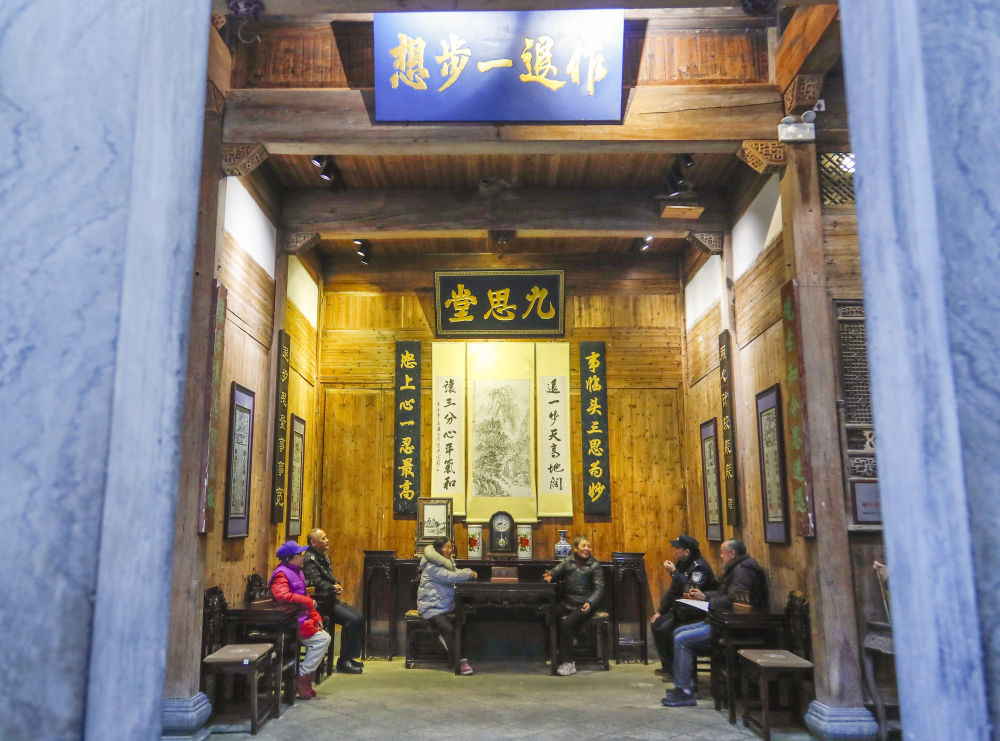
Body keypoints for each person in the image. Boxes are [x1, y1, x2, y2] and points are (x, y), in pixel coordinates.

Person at [661, 538, 769, 707]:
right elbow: (725, 594)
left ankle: (685, 692)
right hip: (721, 619)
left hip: (731, 626)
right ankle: (684, 685)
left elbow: (733, 600)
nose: (720, 556)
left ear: (732, 554)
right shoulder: (737, 568)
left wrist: (709, 601)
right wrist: (705, 596)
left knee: (682, 639)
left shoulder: (743, 571)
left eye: (722, 552)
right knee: (677, 631)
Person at [269, 540, 331, 700]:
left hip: (301, 617)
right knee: (322, 640)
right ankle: (302, 676)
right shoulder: (282, 574)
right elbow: (281, 595)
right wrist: (309, 603)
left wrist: (315, 614)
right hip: (290, 621)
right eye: (299, 555)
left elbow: (304, 595)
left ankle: (304, 676)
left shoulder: (298, 571)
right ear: (290, 558)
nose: (303, 557)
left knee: (323, 638)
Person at [650, 534, 717, 681]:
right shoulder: (682, 564)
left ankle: (675, 671)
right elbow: (673, 590)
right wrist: (660, 611)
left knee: (666, 628)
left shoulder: (699, 567)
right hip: (683, 609)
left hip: (698, 612)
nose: (674, 551)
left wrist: (674, 572)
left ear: (686, 552)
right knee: (656, 623)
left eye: (677, 548)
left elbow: (690, 590)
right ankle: (668, 667)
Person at [301, 528, 365, 674]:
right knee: (352, 619)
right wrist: (332, 588)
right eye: (323, 538)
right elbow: (316, 582)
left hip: (330, 600)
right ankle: (344, 662)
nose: (327, 540)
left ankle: (349, 657)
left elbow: (329, 577)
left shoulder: (321, 556)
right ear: (313, 542)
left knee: (359, 616)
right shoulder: (309, 559)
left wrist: (336, 585)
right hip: (321, 604)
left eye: (326, 537)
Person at [543, 535, 605, 676]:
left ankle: (569, 663)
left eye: (589, 546)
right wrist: (549, 575)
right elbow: (555, 571)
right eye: (583, 546)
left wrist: (590, 602)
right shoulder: (568, 561)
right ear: (576, 548)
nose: (587, 549)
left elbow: (600, 589)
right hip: (568, 603)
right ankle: (555, 652)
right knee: (549, 614)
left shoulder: (595, 566)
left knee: (567, 624)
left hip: (585, 605)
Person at [417, 536, 478, 675]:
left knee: (462, 621)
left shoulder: (446, 563)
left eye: (451, 547)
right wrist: (469, 573)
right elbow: (450, 577)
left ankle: (458, 656)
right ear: (439, 550)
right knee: (448, 629)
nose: (450, 550)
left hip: (444, 606)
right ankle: (460, 662)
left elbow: (455, 572)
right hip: (431, 608)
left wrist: (468, 572)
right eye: (447, 547)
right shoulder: (432, 566)